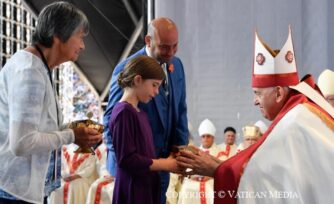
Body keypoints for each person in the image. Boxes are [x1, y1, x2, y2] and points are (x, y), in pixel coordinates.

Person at [177, 27, 334, 204]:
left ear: (278, 93)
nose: (255, 101)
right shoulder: (302, 109)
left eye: (258, 93)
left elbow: (275, 189)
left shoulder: (295, 123)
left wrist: (218, 170)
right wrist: (221, 166)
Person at [0, 2, 102, 203]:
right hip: (15, 192)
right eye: (80, 37)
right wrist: (71, 135)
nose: (82, 46)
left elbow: (37, 129)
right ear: (58, 35)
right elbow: (21, 143)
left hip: (22, 189)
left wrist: (73, 130)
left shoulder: (37, 66)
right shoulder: (29, 72)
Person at [104, 17, 188, 203]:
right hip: (137, 170)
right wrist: (120, 168)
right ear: (148, 41)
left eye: (175, 46)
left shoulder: (177, 66)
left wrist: (179, 150)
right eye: (165, 47)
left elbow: (180, 108)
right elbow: (111, 119)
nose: (171, 52)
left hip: (163, 163)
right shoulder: (128, 68)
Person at [109, 56, 180, 204]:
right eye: (154, 85)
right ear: (138, 80)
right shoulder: (124, 113)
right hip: (133, 190)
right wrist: (163, 164)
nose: (156, 92)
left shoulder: (139, 113)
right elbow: (127, 160)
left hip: (143, 187)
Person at [178, 119, 224, 204]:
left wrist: (210, 176)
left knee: (212, 191)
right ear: (200, 138)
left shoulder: (221, 153)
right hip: (194, 182)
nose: (206, 139)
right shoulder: (194, 151)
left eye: (208, 136)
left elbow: (223, 170)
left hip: (211, 181)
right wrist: (191, 176)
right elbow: (188, 170)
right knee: (185, 189)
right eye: (203, 136)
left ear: (213, 138)